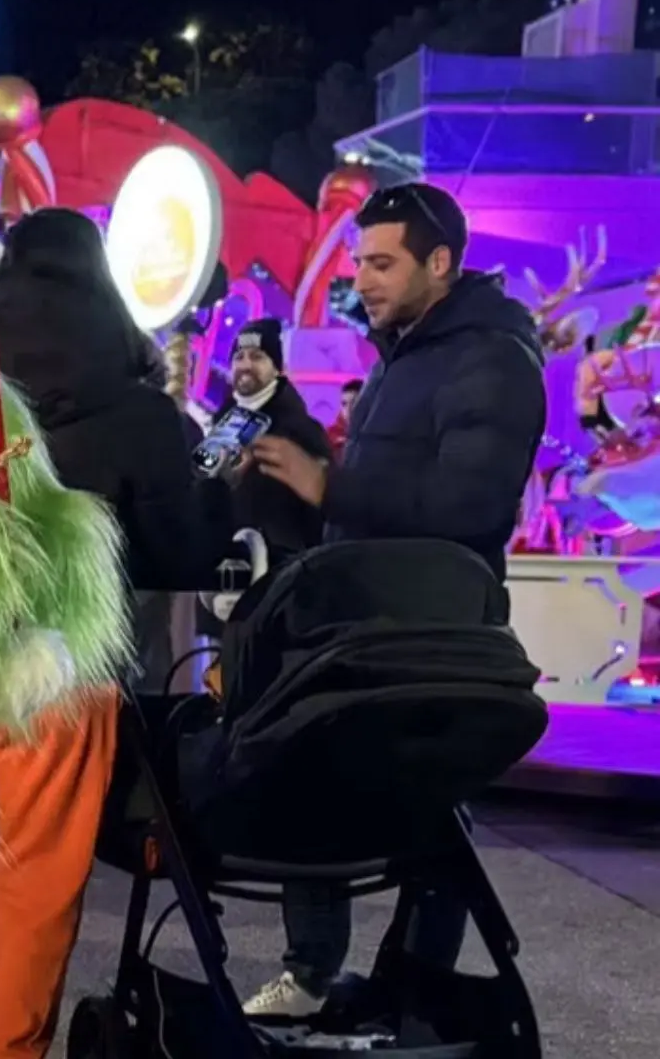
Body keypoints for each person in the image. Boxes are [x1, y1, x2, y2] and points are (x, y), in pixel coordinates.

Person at [247, 182, 545, 1018]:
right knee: (316, 780)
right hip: (366, 622)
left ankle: (403, 982)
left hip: (435, 632)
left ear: (440, 263)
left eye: (382, 262)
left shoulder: (491, 357)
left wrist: (329, 486)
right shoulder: (407, 352)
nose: (363, 279)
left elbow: (469, 509)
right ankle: (315, 974)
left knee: (428, 814)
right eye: (359, 261)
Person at [0, 207, 232, 1059]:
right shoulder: (139, 415)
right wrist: (215, 492)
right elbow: (181, 555)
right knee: (32, 897)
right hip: (62, 675)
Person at [208, 318, 329, 565]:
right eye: (239, 357)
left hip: (280, 567)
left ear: (277, 368)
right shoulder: (221, 425)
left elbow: (321, 509)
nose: (246, 365)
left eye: (257, 356)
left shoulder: (299, 428)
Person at [327, 377, 364, 460]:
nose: (348, 410)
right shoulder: (330, 436)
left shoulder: (377, 435)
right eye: (344, 404)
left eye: (355, 403)